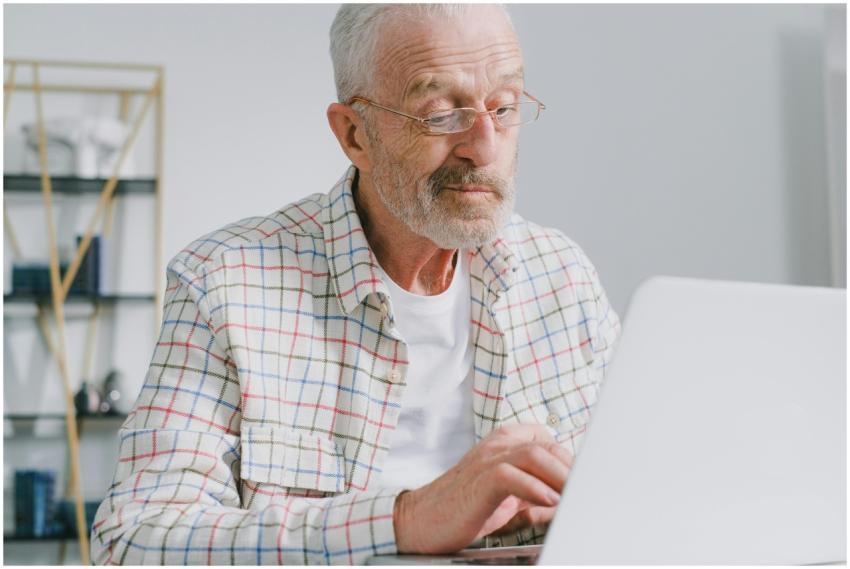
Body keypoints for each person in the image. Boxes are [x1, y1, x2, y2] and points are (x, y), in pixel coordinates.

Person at [90, 4, 621, 565]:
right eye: (441, 115)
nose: (484, 148)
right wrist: (406, 519)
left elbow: (638, 487)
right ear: (353, 134)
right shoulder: (224, 283)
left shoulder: (562, 275)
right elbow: (134, 542)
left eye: (506, 108)